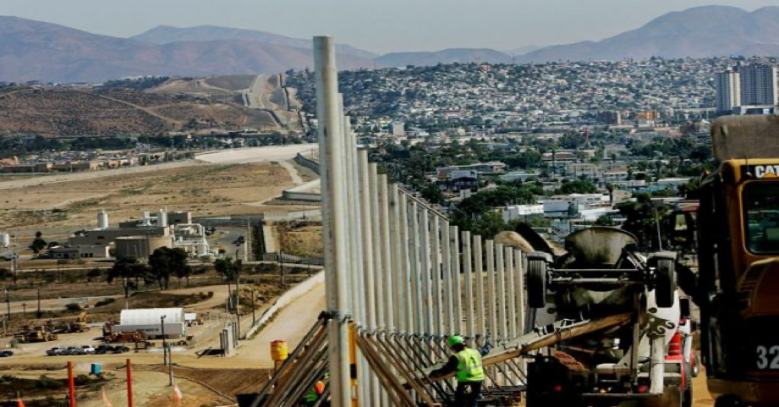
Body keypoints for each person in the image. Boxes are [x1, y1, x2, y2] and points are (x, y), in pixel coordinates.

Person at [429, 335, 491, 407]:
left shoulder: (457, 356)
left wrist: (434, 373)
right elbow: (486, 350)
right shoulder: (476, 352)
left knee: (460, 401)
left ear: (453, 347)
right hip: (478, 379)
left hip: (465, 380)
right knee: (473, 399)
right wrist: (488, 342)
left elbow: (446, 370)